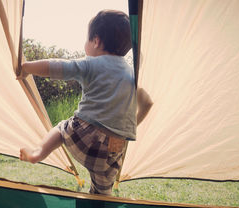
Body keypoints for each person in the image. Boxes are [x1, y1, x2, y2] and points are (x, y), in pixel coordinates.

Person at [18, 10, 153, 195]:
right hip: (114, 148)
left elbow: (56, 67)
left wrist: (27, 68)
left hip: (83, 135)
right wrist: (128, 127)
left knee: (61, 128)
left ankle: (38, 153)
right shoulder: (132, 75)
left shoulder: (91, 64)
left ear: (96, 41)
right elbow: (147, 103)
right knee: (102, 192)